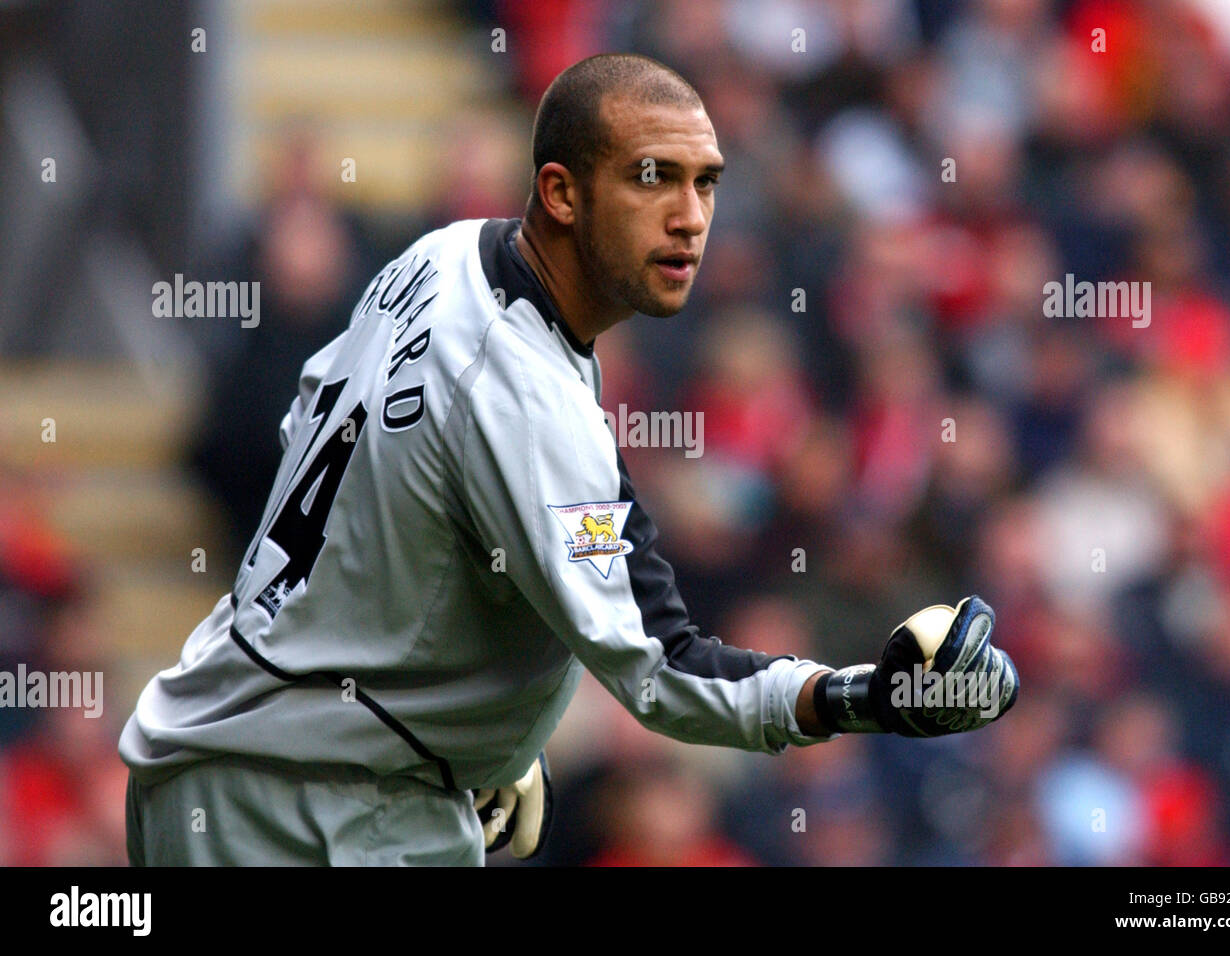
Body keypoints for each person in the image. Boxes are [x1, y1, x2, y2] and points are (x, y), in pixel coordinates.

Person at [119, 53, 1018, 866]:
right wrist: (866, 697)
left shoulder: (441, 254)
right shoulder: (531, 397)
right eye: (653, 180)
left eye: (706, 184)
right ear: (560, 192)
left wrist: (484, 734)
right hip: (323, 805)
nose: (691, 218)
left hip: (220, 763)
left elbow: (313, 432)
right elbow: (663, 669)